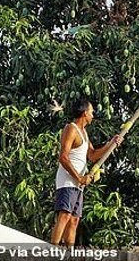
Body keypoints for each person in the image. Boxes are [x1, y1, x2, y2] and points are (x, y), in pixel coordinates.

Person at [50, 99, 123, 246]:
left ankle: (69, 253)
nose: (92, 115)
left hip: (78, 183)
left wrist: (111, 144)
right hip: (68, 180)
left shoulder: (84, 133)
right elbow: (63, 158)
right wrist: (79, 178)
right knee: (65, 215)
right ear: (84, 113)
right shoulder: (71, 129)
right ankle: (52, 251)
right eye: (91, 112)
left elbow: (93, 155)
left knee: (74, 220)